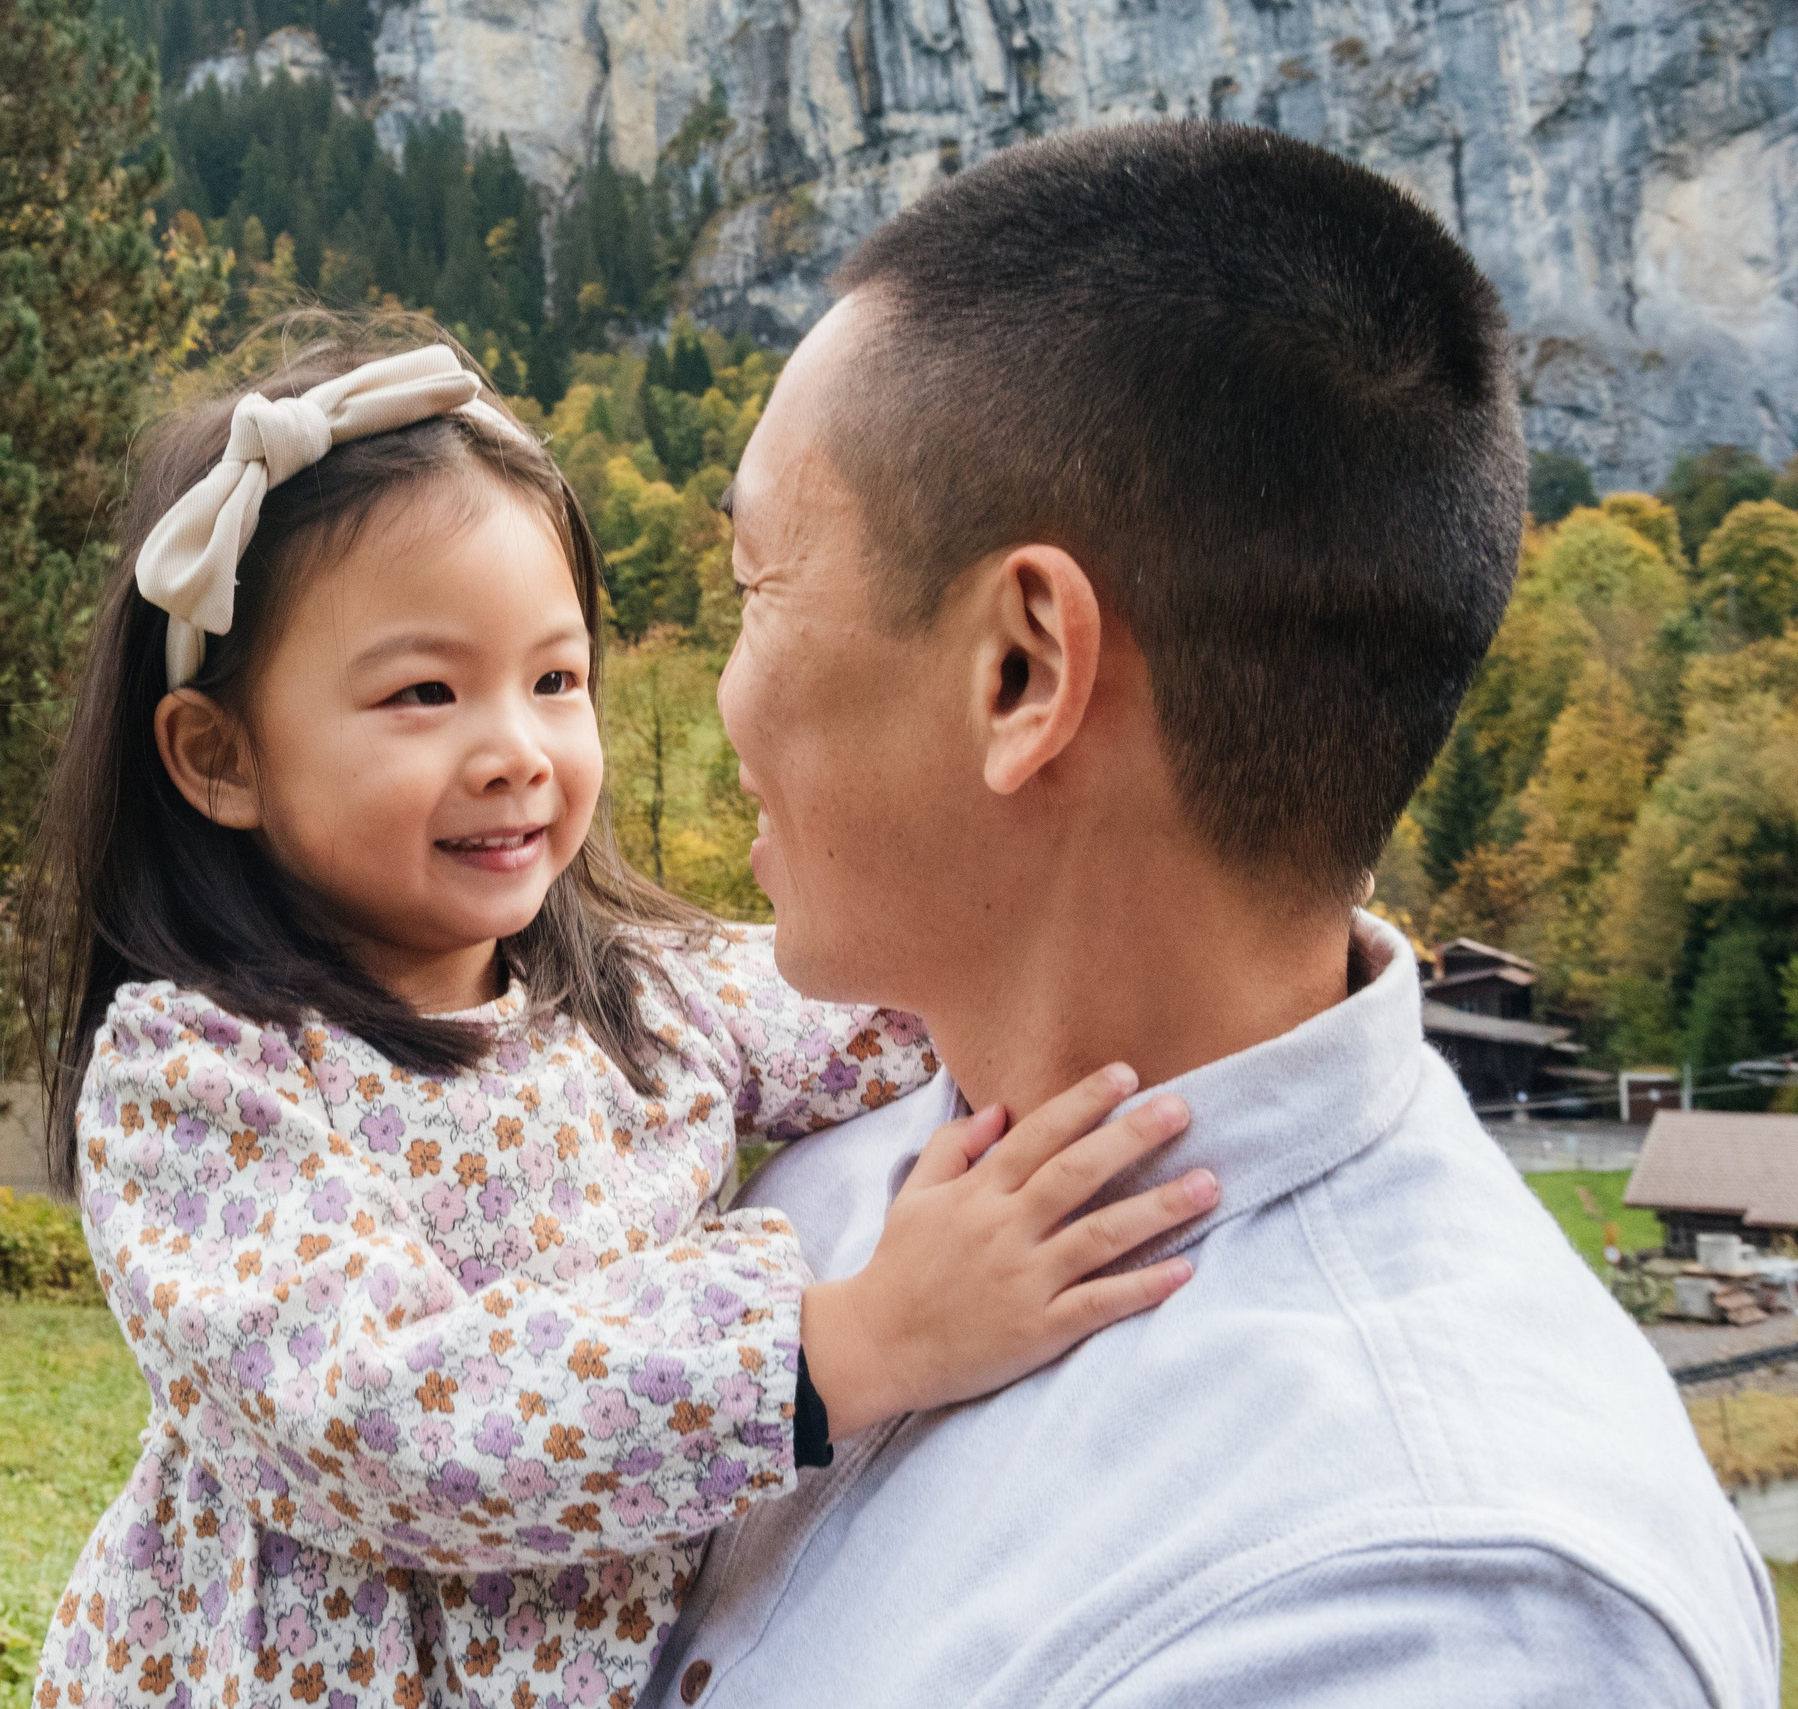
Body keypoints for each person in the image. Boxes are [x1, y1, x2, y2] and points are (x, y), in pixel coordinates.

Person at [639, 122, 1778, 1707]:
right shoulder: (812, 1186)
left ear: (1022, 671)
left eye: (757, 585)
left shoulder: (1423, 1598)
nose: (725, 691)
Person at [20, 326, 1217, 1709]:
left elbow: (930, 991)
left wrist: (1189, 864)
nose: (518, 749)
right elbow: (377, 1422)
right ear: (219, 757)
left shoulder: (641, 998)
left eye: (556, 678)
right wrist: (851, 1338)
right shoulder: (202, 1074)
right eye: (425, 692)